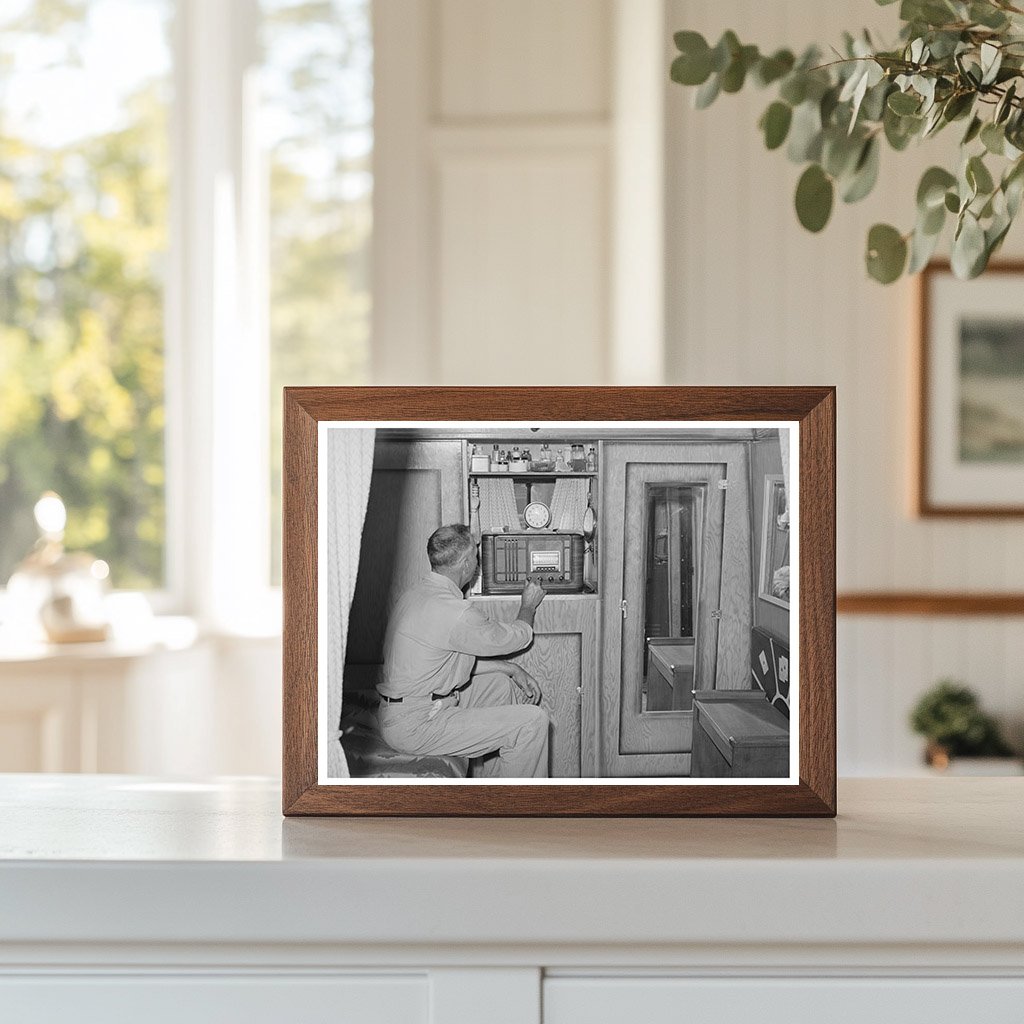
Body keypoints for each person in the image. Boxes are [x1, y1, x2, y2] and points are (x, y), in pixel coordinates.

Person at [377, 523, 550, 778]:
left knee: (499, 685)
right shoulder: (455, 612)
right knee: (532, 722)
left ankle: (495, 787)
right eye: (476, 558)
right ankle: (516, 810)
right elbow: (517, 638)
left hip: (403, 709)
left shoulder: (415, 594)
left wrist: (510, 668)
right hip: (416, 724)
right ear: (467, 564)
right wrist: (529, 605)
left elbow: (445, 663)